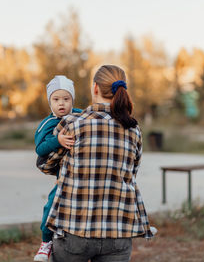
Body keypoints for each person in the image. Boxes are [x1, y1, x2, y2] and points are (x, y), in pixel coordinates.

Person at [38, 65, 155, 262]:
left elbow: (45, 165)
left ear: (95, 88)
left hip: (74, 229)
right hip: (118, 231)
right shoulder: (133, 130)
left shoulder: (73, 123)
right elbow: (131, 172)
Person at [33, 75, 82, 262]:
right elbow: (40, 148)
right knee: (53, 203)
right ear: (49, 102)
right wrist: (58, 140)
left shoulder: (80, 115)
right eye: (56, 99)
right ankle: (45, 242)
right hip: (62, 174)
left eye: (66, 99)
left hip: (79, 171)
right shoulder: (47, 124)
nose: (61, 103)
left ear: (72, 100)